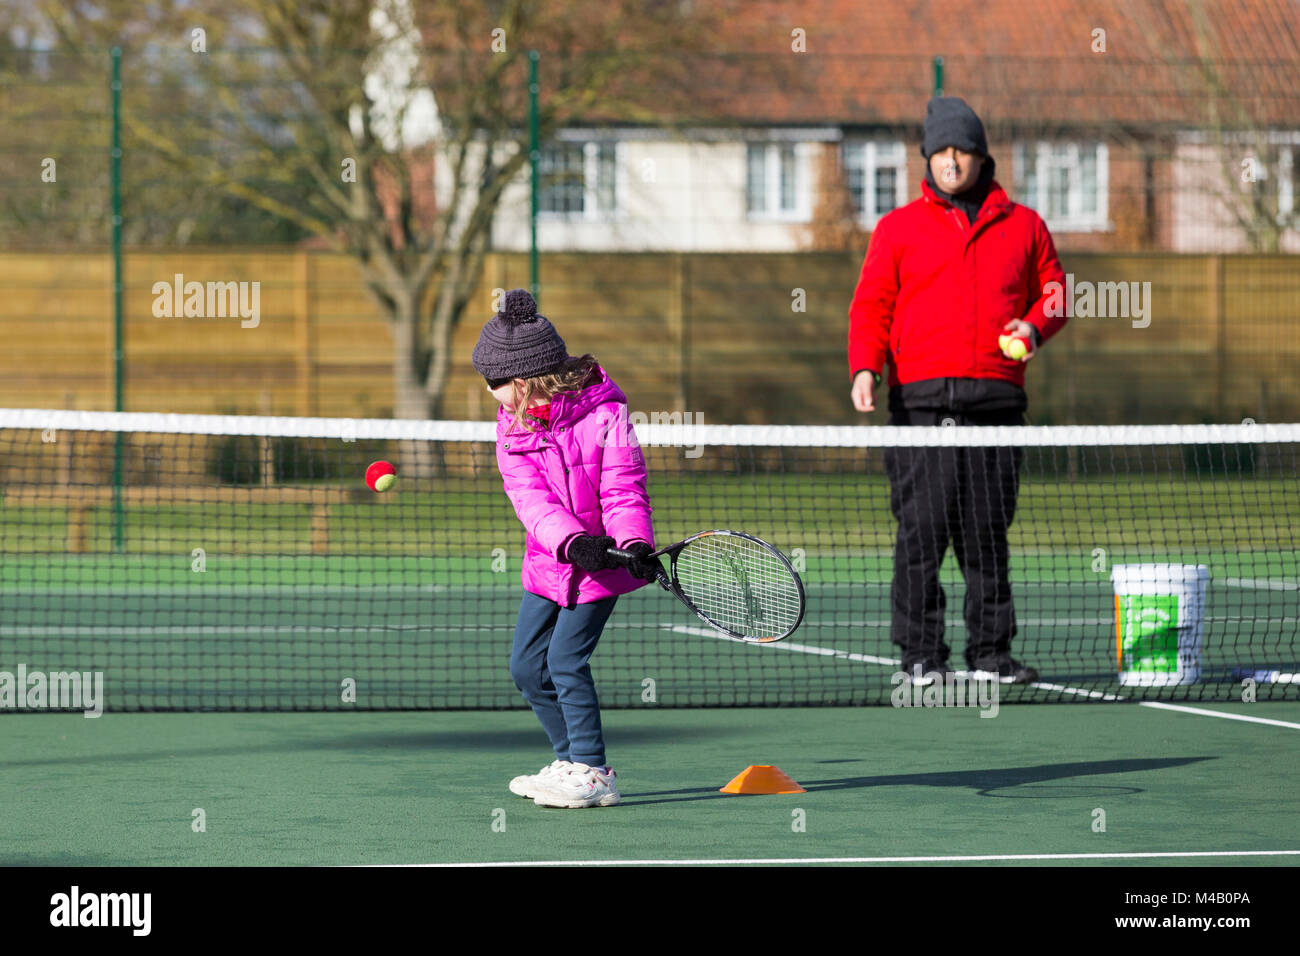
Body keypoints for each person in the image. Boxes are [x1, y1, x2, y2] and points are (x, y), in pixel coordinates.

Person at [847, 96, 1068, 685]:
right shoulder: (897, 228)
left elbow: (1056, 294)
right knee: (921, 533)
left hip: (996, 403)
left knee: (986, 532)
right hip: (920, 405)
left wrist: (1033, 326)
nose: (951, 161)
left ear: (980, 158)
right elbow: (871, 306)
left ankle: (991, 654)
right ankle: (921, 655)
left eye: (962, 151)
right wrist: (865, 367)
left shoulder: (1025, 225)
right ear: (928, 159)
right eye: (941, 151)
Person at [473, 288, 661, 808]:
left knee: (565, 661)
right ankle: (569, 762)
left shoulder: (606, 415)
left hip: (602, 571)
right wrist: (572, 541)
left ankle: (595, 771)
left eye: (493, 383)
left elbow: (623, 488)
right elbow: (528, 496)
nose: (488, 392)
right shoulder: (509, 427)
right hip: (551, 563)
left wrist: (633, 543)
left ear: (522, 379)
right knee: (526, 669)